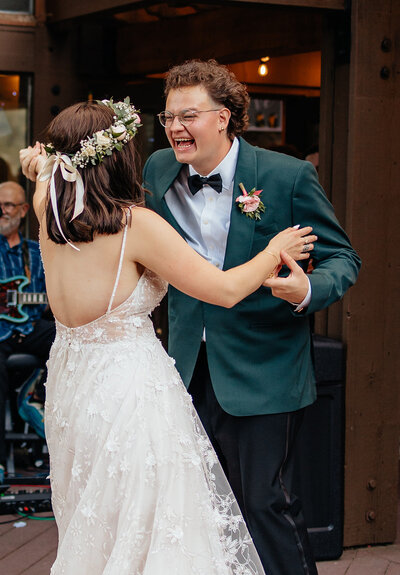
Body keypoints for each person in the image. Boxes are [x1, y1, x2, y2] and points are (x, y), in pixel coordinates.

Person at [19, 99, 316, 574]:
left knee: (96, 520)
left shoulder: (47, 211)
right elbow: (222, 290)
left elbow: (43, 172)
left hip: (73, 390)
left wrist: (39, 165)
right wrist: (274, 250)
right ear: (117, 157)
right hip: (130, 395)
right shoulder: (135, 226)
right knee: (152, 523)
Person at [142, 59, 361, 575]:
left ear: (223, 118)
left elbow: (343, 258)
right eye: (168, 116)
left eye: (188, 115)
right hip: (185, 367)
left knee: (265, 503)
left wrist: (306, 287)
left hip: (265, 366)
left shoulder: (287, 176)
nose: (175, 127)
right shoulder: (157, 169)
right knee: (203, 506)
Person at [0, 181, 55, 483]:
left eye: (8, 205)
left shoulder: (36, 252)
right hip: (0, 333)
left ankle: (35, 394)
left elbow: (52, 297)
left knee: (67, 338)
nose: (2, 211)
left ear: (23, 210)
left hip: (31, 325)